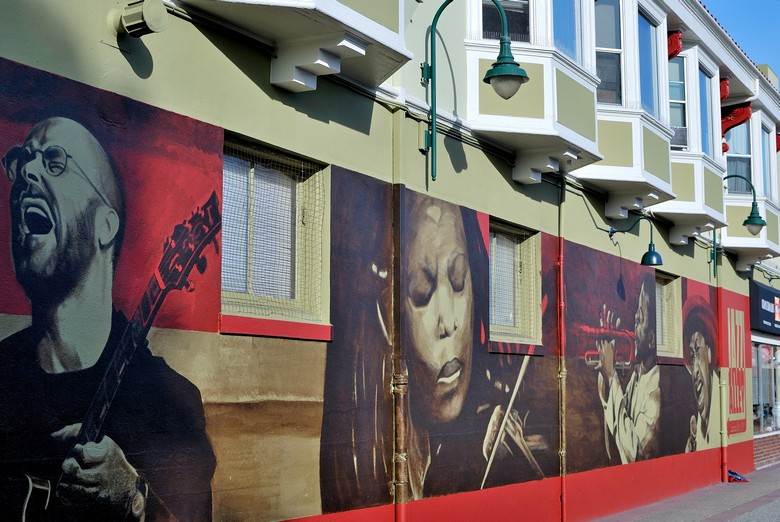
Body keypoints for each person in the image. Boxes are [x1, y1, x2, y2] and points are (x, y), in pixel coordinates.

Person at [0, 117, 215, 520]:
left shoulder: (168, 402)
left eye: (53, 161)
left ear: (105, 224)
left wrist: (134, 497)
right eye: (21, 160)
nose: (27, 172)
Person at [596, 278, 661, 464]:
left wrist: (612, 375)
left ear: (652, 339)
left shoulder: (654, 391)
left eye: (640, 319)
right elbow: (617, 429)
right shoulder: (639, 375)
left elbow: (634, 453)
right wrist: (607, 376)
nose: (634, 322)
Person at [683, 297, 717, 452]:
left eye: (697, 351)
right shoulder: (697, 426)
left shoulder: (719, 411)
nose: (695, 370)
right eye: (691, 355)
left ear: (709, 353)